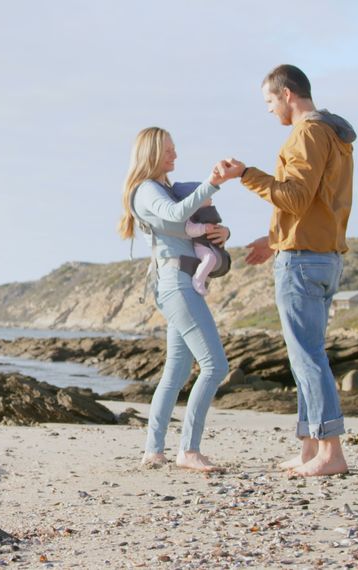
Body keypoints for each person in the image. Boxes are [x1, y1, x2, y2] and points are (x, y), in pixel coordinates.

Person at [220, 65, 356, 477]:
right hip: (321, 254)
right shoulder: (333, 133)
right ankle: (310, 447)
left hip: (304, 260)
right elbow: (316, 203)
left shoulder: (307, 133)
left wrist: (245, 175)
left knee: (308, 357)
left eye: (269, 101)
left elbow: (295, 197)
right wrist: (274, 239)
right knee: (305, 356)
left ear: (288, 94)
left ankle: (330, 453)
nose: (269, 110)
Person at [118, 126, 233, 472]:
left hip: (182, 281)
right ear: (151, 153)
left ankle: (153, 451)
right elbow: (174, 216)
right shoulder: (147, 191)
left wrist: (223, 232)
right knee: (215, 366)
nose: (175, 156)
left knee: (176, 372)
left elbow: (192, 223)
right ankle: (189, 450)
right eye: (168, 150)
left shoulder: (164, 189)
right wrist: (212, 184)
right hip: (175, 284)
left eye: (174, 149)